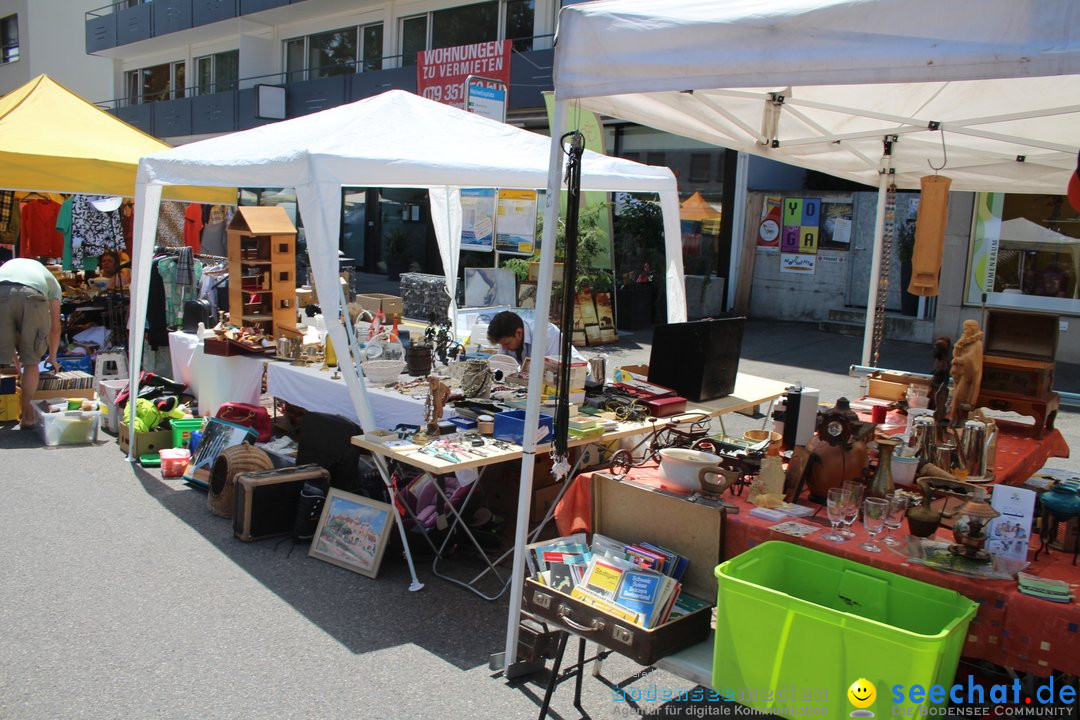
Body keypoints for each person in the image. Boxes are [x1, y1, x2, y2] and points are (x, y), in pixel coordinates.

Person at [0, 258, 63, 428]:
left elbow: (9, 337)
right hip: (32, 295)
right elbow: (55, 327)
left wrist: (14, 361)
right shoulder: (53, 282)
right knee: (31, 362)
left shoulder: (9, 265)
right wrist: (52, 357)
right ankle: (27, 417)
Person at [486, 310, 586, 367]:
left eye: (507, 344)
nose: (504, 348)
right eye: (502, 344)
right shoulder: (507, 338)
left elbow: (550, 371)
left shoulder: (546, 334)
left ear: (519, 333)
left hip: (578, 379)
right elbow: (502, 366)